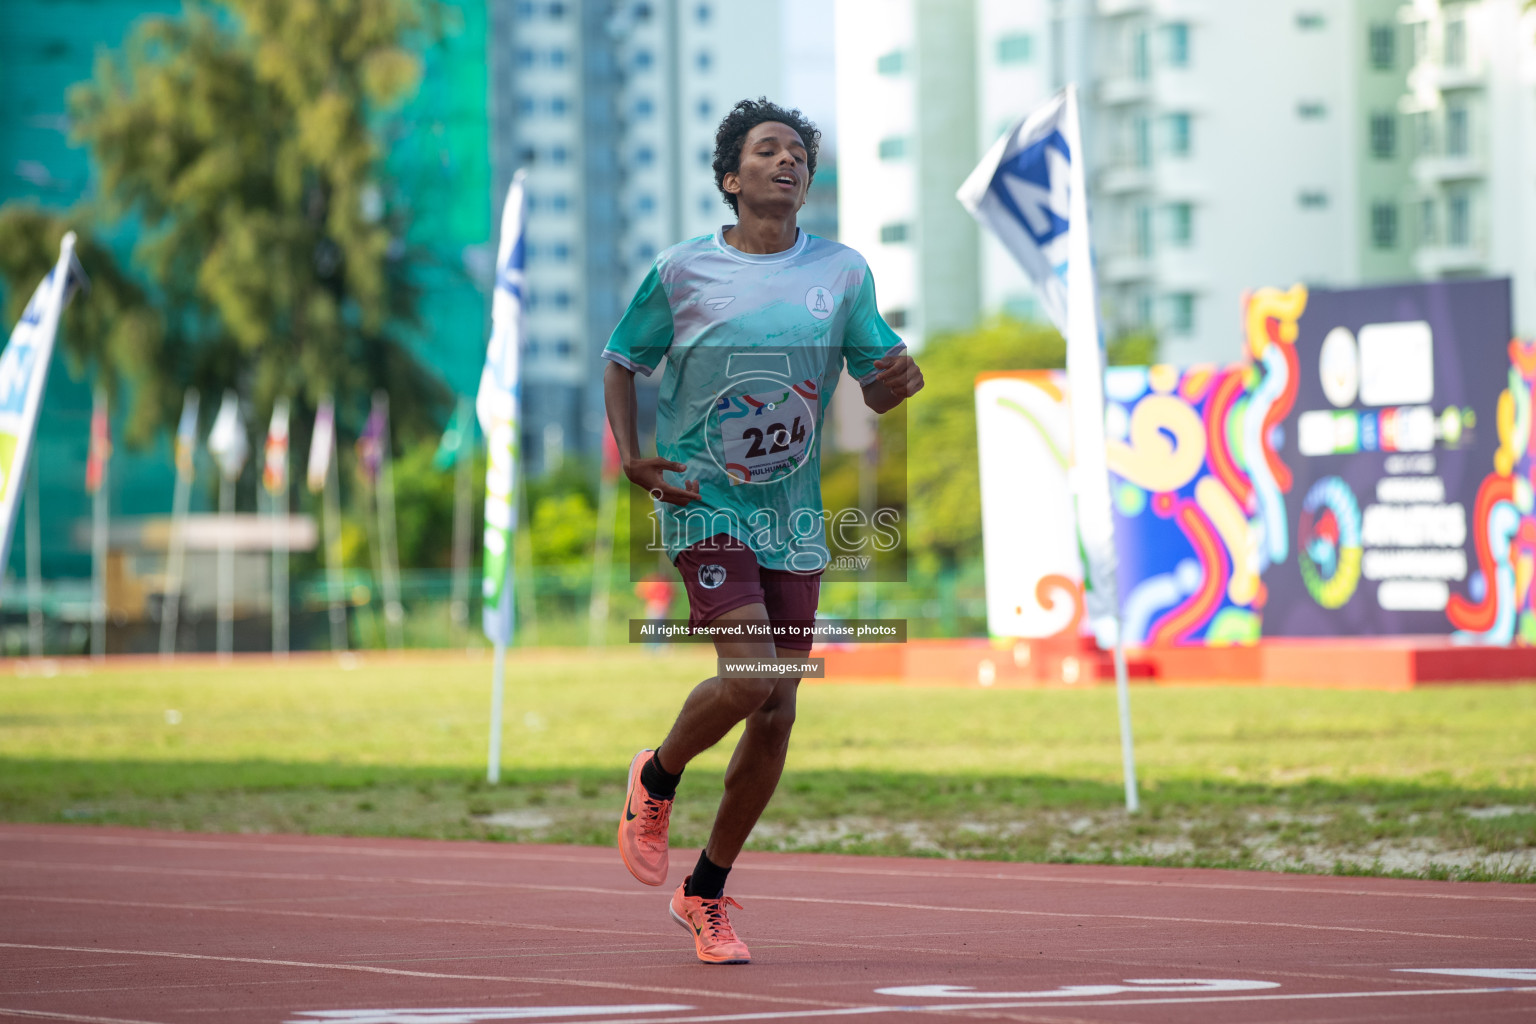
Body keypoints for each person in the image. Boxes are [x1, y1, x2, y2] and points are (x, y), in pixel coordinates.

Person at [603, 97, 924, 965]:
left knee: (777, 711)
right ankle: (657, 775)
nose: (788, 163)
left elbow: (878, 380)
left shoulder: (844, 273)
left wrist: (900, 380)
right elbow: (623, 358)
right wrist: (634, 456)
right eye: (768, 150)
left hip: (793, 514)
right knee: (752, 677)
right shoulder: (681, 272)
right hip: (702, 501)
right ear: (730, 177)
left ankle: (703, 894)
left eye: (800, 155)